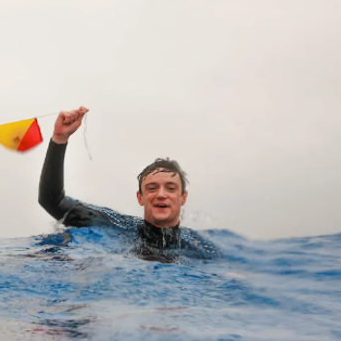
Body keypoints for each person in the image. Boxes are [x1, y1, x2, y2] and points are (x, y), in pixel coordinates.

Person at [38, 107, 218, 260]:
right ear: (140, 197)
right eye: (152, 188)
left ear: (183, 197)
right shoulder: (115, 225)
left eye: (170, 188)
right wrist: (59, 139)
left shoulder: (200, 250)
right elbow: (52, 200)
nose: (161, 194)